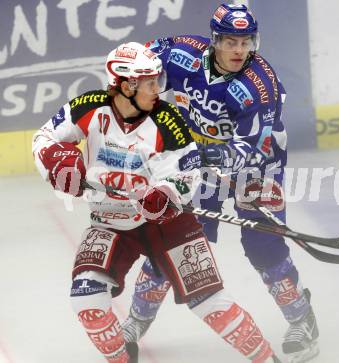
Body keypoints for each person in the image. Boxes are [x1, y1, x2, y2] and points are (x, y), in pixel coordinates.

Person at [32, 41, 282, 363]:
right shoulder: (88, 107)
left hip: (169, 225)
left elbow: (187, 170)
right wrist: (58, 159)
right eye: (150, 82)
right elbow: (45, 137)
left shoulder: (168, 121)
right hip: (110, 223)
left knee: (211, 303)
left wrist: (166, 193)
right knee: (86, 299)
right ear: (126, 85)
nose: (158, 89)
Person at [122, 3, 319, 363]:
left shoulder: (258, 84)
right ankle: (135, 322)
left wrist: (209, 158)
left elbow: (255, 146)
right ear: (214, 41)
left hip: (260, 168)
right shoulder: (182, 54)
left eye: (246, 42)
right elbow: (137, 62)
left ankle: (302, 320)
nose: (239, 51)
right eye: (230, 41)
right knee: (176, 244)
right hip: (203, 167)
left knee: (264, 249)